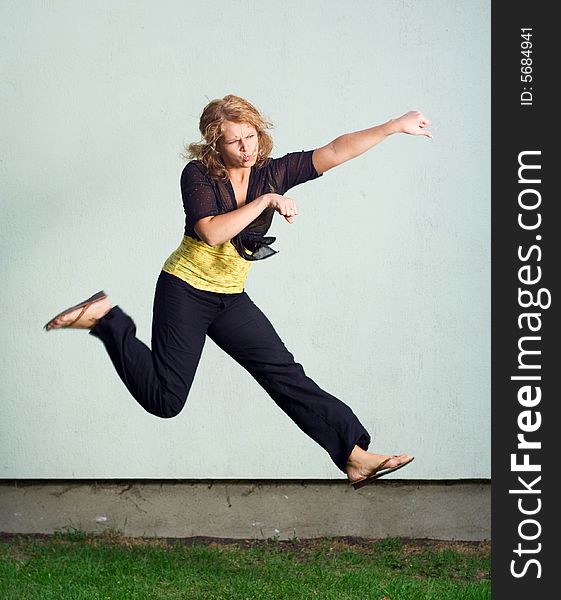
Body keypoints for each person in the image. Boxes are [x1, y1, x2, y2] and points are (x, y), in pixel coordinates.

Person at [44, 94, 432, 489]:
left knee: (283, 372)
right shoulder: (198, 175)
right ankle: (108, 320)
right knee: (165, 401)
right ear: (216, 144)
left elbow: (336, 149)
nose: (247, 148)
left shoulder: (273, 171)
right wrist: (266, 200)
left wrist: (393, 126)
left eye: (252, 137)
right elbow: (211, 232)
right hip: (185, 290)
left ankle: (354, 455)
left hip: (230, 297)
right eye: (235, 141)